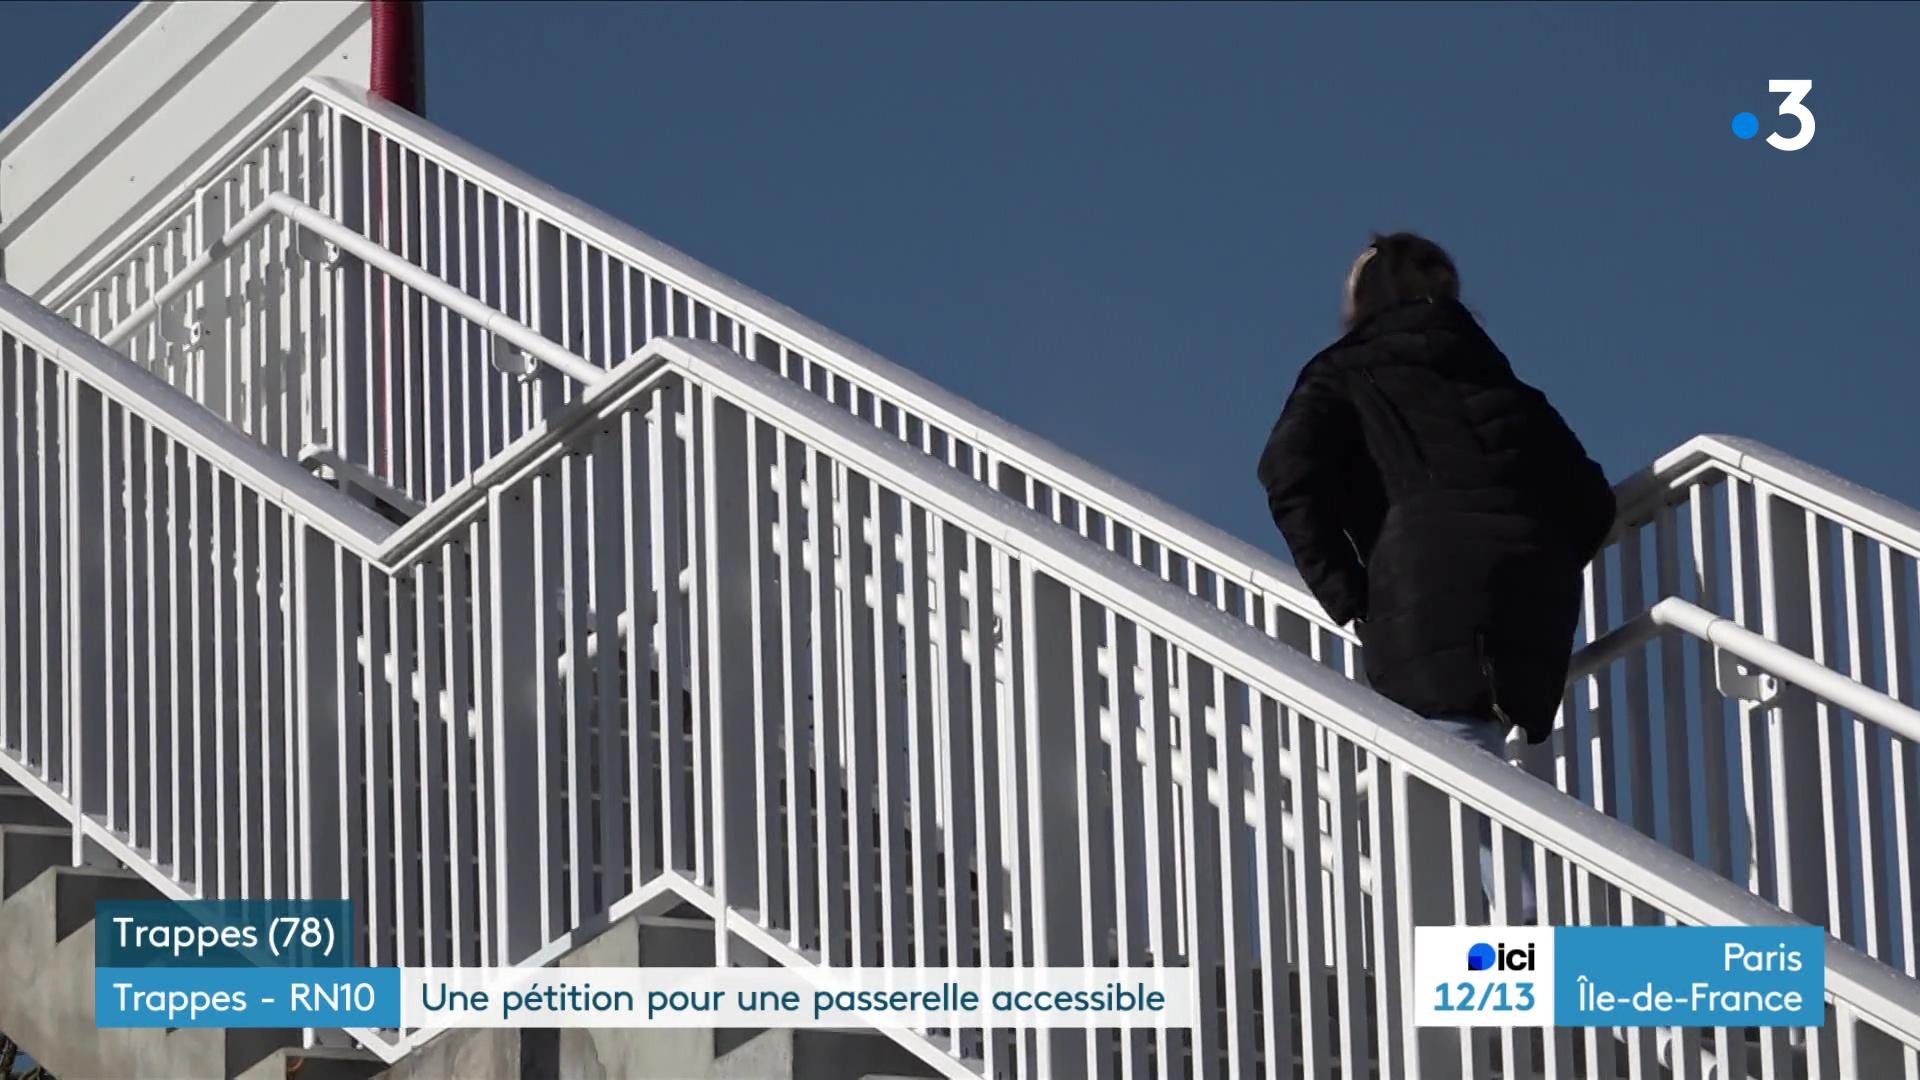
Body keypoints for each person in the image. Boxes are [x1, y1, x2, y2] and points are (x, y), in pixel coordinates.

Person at [1255, 232, 1616, 923]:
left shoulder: (1345, 371)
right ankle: (1515, 966)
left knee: (1453, 763)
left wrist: (1349, 593)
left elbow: (1287, 475)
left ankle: (1550, 967)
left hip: (1426, 584)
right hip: (1531, 590)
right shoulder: (1503, 383)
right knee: (1469, 762)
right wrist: (1531, 558)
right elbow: (1592, 503)